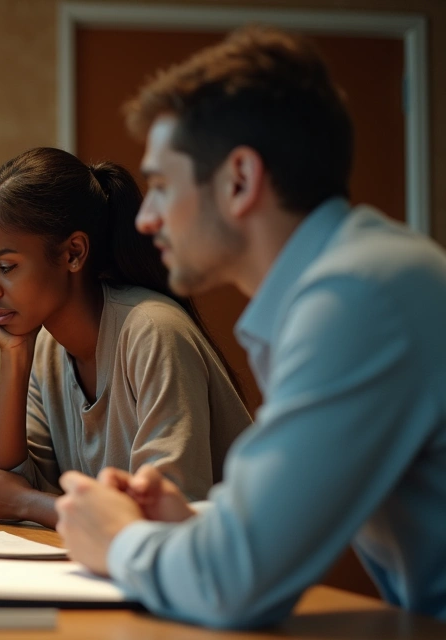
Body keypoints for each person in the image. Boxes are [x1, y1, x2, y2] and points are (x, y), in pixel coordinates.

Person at [54, 26, 446, 627]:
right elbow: (288, 513)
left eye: (161, 185)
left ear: (239, 180)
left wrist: (119, 543)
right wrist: (193, 523)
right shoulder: (359, 277)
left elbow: (232, 584)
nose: (149, 217)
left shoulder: (357, 297)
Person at [0, 146, 251, 528]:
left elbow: (166, 516)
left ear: (74, 253)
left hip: (227, 574)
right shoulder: (46, 343)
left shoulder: (152, 330)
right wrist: (14, 356)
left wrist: (27, 503)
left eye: (7, 266)